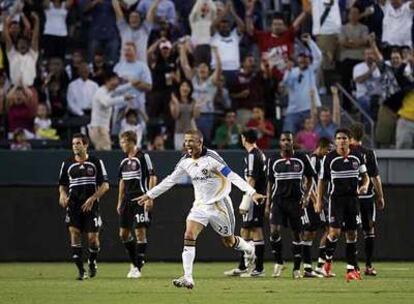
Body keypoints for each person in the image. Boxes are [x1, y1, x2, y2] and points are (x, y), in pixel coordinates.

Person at [136, 129, 266, 289]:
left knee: (229, 241)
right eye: (186, 141)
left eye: (191, 141)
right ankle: (188, 277)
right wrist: (150, 194)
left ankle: (249, 248)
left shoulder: (212, 158)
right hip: (200, 206)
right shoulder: (185, 161)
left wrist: (251, 193)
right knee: (189, 234)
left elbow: (232, 175)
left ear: (200, 142)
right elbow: (170, 180)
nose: (188, 144)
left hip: (220, 205)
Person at [316, 128, 370, 282]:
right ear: (335, 141)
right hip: (336, 200)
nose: (341, 141)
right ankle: (327, 260)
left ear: (349, 140)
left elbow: (365, 177)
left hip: (352, 200)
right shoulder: (329, 158)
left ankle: (350, 269)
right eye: (338, 138)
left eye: (344, 138)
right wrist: (319, 201)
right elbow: (322, 181)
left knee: (352, 234)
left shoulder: (357, 156)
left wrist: (364, 186)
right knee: (334, 233)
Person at [58, 133, 110, 280]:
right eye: (74, 144)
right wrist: (62, 194)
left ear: (86, 145)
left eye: (78, 143)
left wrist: (93, 198)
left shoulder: (95, 162)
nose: (75, 146)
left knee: (93, 239)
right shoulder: (67, 163)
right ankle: (81, 270)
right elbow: (62, 184)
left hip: (91, 206)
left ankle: (92, 261)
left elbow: (105, 186)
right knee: (75, 234)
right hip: (73, 205)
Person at [266, 131, 316, 279]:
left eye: (288, 139)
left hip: (296, 202)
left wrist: (307, 196)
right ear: (280, 142)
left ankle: (296, 268)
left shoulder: (301, 158)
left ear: (293, 141)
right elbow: (270, 181)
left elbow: (310, 178)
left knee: (297, 234)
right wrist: (268, 201)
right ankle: (279, 262)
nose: (286, 142)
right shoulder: (273, 159)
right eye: (283, 140)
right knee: (274, 231)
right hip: (278, 201)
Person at [224, 129, 267, 277]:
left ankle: (259, 268)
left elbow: (251, 179)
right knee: (245, 231)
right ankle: (243, 266)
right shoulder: (260, 153)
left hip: (255, 197)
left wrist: (246, 200)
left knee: (255, 230)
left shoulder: (252, 155)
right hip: (259, 195)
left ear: (243, 138)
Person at [117, 130, 157, 278]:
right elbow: (122, 182)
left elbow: (153, 177)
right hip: (127, 201)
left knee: (140, 232)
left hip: (141, 199)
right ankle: (136, 261)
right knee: (123, 234)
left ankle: (137, 266)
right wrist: (119, 201)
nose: (121, 145)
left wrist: (150, 197)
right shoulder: (123, 162)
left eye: (123, 142)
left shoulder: (143, 157)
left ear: (131, 142)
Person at [350, 123, 385, 276]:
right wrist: (380, 196)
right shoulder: (369, 153)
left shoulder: (344, 152)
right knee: (369, 230)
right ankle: (369, 266)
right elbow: (375, 177)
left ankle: (354, 266)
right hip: (367, 198)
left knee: (351, 232)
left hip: (350, 197)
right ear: (362, 135)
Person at [303, 137, 332, 277]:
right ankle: (309, 268)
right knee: (311, 232)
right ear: (321, 147)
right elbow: (311, 181)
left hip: (318, 200)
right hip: (311, 201)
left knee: (325, 230)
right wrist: (316, 201)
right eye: (328, 149)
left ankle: (318, 266)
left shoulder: (320, 160)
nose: (328, 152)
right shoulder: (313, 159)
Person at [282, 34, 322, 133]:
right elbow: (285, 85)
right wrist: (288, 71)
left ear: (309, 60)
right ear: (297, 59)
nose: (303, 60)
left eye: (305, 58)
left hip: (310, 109)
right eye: (301, 57)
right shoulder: (291, 71)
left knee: (312, 137)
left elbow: (319, 57)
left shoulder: (312, 70)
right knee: (287, 135)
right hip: (293, 110)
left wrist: (310, 42)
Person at [88, 72, 134, 151]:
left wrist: (132, 84)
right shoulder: (101, 92)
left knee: (105, 153)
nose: (117, 83)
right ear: (107, 81)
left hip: (104, 128)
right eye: (114, 80)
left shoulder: (109, 92)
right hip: (98, 128)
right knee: (105, 153)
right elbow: (107, 102)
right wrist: (123, 98)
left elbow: (120, 89)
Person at [170, 80, 200, 150]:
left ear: (190, 89)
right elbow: (175, 115)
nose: (185, 88)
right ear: (179, 88)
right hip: (179, 132)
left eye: (187, 86)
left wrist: (197, 107)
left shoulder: (193, 101)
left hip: (190, 133)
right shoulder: (174, 101)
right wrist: (177, 103)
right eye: (183, 86)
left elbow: (196, 116)